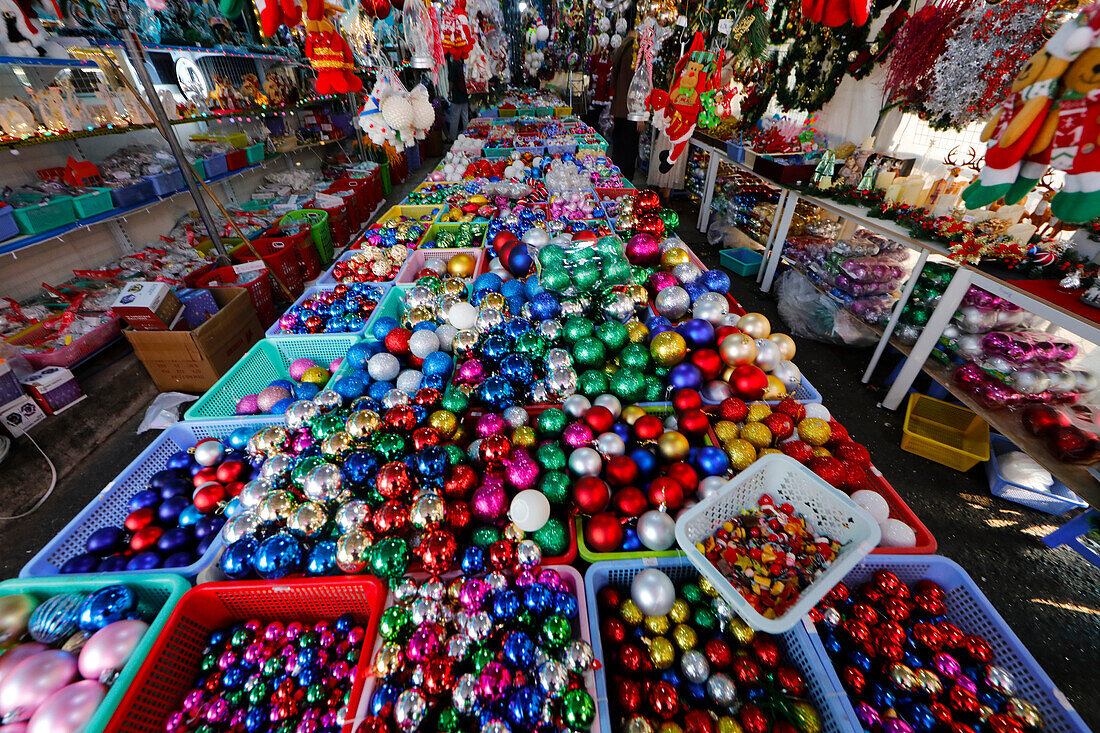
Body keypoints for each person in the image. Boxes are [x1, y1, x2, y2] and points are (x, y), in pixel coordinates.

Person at [608, 29, 638, 180]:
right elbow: (638, 85)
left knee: (619, 147)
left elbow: (613, 80)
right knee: (628, 150)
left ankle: (615, 178)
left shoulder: (622, 48)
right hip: (631, 109)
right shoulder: (635, 51)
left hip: (620, 107)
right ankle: (624, 183)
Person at [446, 57, 470, 140]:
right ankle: (466, 135)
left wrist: (450, 92)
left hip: (457, 95)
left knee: (454, 117)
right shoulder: (464, 62)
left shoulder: (454, 64)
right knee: (465, 116)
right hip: (465, 94)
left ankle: (452, 137)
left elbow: (451, 81)